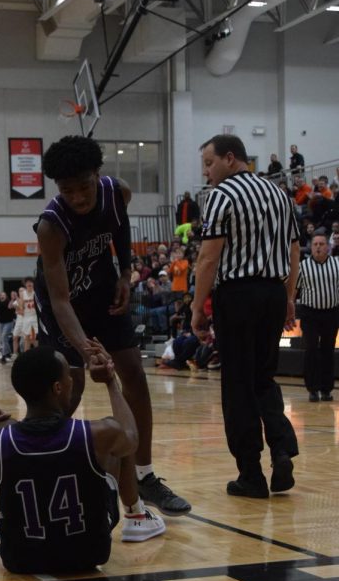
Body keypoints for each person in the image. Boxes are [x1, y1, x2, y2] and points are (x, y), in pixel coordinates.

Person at [33, 135, 191, 515]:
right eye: (67, 190)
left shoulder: (117, 192)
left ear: (98, 175)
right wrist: (86, 349)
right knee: (68, 390)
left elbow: (120, 229)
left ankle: (144, 475)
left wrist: (124, 272)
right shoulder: (51, 227)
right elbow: (59, 300)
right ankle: (39, 466)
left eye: (84, 186)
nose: (78, 197)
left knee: (133, 374)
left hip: (103, 289)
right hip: (63, 305)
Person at [0, 343, 166, 573]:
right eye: (69, 375)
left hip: (20, 559)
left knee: (7, 431)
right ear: (58, 388)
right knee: (117, 436)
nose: (72, 380)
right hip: (88, 555)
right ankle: (136, 515)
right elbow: (131, 437)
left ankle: (11, 524)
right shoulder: (98, 434)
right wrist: (111, 381)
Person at [192, 134, 299, 498]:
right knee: (264, 378)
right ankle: (282, 448)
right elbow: (294, 251)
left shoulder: (220, 196)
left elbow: (208, 258)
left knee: (237, 385)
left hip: (237, 295)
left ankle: (251, 474)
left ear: (230, 158)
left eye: (209, 163)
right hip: (272, 291)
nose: (206, 173)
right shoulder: (278, 194)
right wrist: (287, 297)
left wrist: (196, 307)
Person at [295, 234, 339, 402]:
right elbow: (294, 290)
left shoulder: (337, 264)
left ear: (327, 247)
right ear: (311, 247)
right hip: (310, 314)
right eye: (315, 244)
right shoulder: (303, 267)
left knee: (328, 351)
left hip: (331, 312)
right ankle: (313, 389)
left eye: (321, 244)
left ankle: (327, 390)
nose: (318, 247)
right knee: (311, 350)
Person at [0, 291, 15, 362]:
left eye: (4, 295)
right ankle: (8, 353)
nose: (2, 296)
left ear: (6, 296)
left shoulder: (8, 301)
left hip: (9, 322)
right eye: (1, 295)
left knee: (4, 336)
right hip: (1, 322)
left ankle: (4, 355)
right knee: (3, 338)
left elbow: (11, 308)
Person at [20, 277, 38, 351]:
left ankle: (39, 353)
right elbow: (21, 306)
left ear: (33, 284)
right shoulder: (22, 293)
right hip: (27, 316)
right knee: (27, 337)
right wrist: (20, 310)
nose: (29, 284)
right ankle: (26, 355)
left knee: (35, 337)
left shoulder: (36, 292)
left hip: (35, 316)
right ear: (25, 284)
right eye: (27, 283)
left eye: (30, 282)